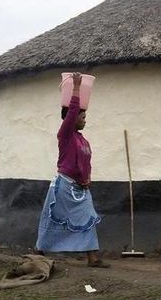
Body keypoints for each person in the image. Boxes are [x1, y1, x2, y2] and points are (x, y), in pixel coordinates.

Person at [35, 72, 110, 268]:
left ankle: (93, 257)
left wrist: (88, 178)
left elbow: (88, 162)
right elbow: (72, 110)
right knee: (53, 217)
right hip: (64, 186)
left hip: (81, 189)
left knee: (88, 217)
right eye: (82, 116)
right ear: (72, 118)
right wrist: (76, 88)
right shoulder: (65, 134)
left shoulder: (83, 140)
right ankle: (39, 249)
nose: (85, 120)